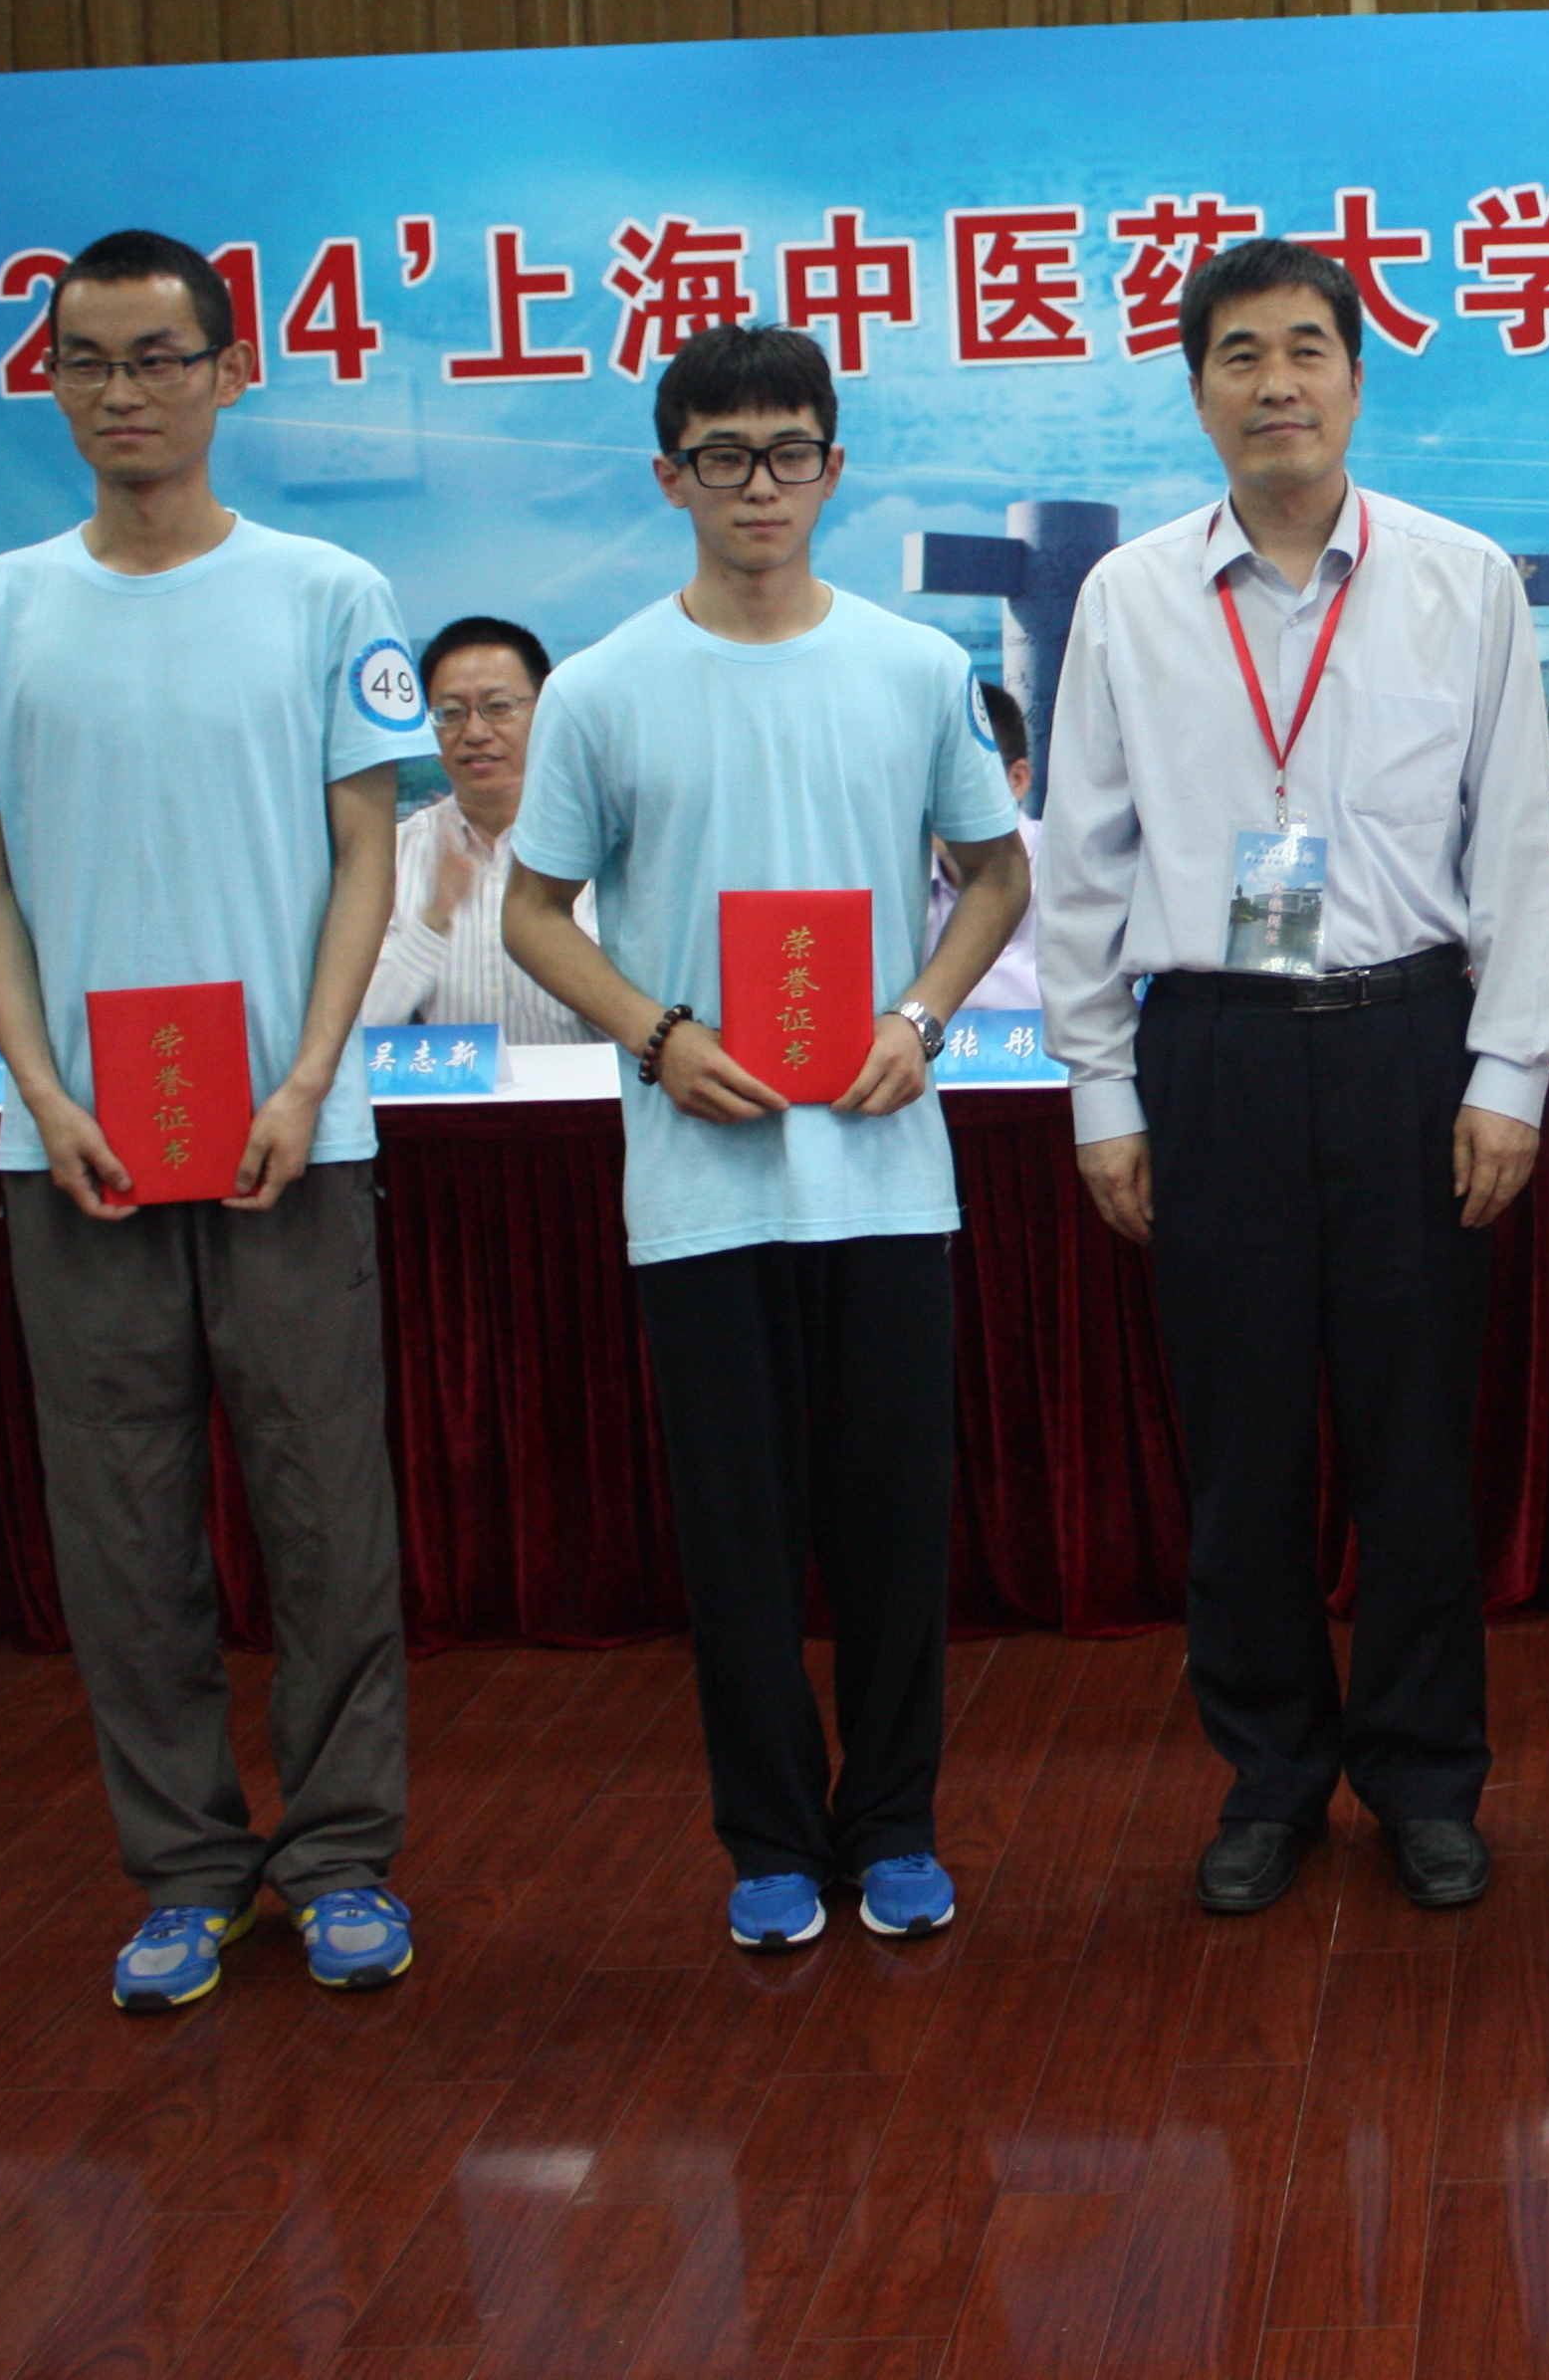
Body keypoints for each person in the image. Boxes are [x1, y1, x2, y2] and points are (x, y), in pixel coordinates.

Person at [0, 228, 431, 2012]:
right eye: (88, 360)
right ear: (49, 381)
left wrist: (308, 1072)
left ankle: (342, 1857)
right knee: (122, 1525)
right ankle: (188, 1873)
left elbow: (367, 849)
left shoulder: (324, 589)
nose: (122, 391)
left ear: (228, 371)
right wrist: (39, 1089)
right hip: (78, 1154)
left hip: (293, 1135)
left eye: (158, 356)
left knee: (325, 1509)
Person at [1037, 235, 1549, 1919]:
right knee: (1242, 1450)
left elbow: (1515, 838)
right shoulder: (1129, 597)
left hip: (1409, 1044)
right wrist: (1102, 1090)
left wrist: (1509, 1071)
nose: (1276, 383)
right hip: (1214, 1054)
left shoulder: (1460, 579)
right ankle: (1268, 1775)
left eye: (1306, 350)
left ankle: (1423, 1774)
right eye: (1240, 355)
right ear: (1198, 390)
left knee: (1415, 1448)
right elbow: (1081, 861)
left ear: (1355, 376)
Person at [501, 322, 1028, 1954]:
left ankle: (897, 1824)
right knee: (734, 1538)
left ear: (833, 468)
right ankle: (771, 1838)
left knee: (891, 1529)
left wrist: (919, 1017)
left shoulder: (910, 669)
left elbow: (995, 874)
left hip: (882, 1170)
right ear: (670, 476)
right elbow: (533, 912)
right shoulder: (600, 687)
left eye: (789, 452)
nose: (758, 486)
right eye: (722, 457)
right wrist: (655, 1033)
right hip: (701, 1184)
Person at [361, 612, 593, 1044]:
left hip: (590, 1087)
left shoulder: (603, 851)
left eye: (498, 707)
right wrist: (432, 920)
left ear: (546, 711)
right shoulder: (394, 855)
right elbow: (359, 1026)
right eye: (450, 713)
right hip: (448, 1087)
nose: (474, 731)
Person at [926, 681, 1044, 1017]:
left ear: (1018, 780)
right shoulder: (894, 884)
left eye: (960, 781)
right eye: (923, 780)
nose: (935, 800)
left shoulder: (1073, 868)